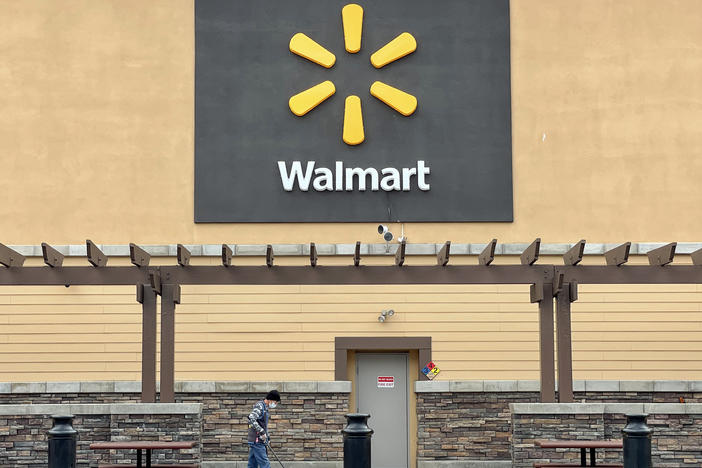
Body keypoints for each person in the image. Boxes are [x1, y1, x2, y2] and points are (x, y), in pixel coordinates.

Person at [247, 389, 281, 468]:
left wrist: (267, 436)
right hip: (257, 441)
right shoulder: (260, 406)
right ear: (270, 400)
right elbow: (251, 418)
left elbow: (263, 424)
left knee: (252, 464)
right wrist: (262, 432)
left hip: (256, 441)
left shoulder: (265, 408)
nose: (275, 404)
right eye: (275, 402)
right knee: (265, 464)